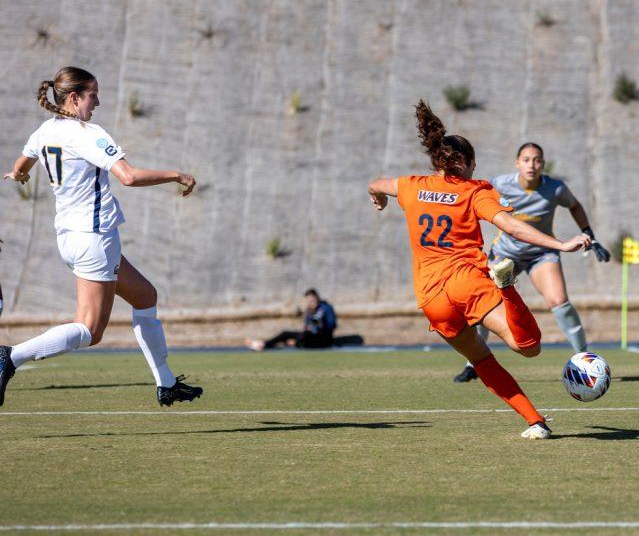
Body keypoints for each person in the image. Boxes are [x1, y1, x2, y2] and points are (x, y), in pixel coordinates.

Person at [368, 100, 591, 439]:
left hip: (431, 298)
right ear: (468, 163)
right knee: (528, 346)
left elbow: (376, 183)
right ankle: (507, 286)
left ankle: (536, 423)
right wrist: (560, 244)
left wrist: (379, 197)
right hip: (467, 283)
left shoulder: (410, 185)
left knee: (481, 360)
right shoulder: (475, 191)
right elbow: (512, 228)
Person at [0, 67, 202, 408]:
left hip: (71, 237)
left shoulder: (45, 131)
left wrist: (18, 175)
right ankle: (11, 356)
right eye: (93, 95)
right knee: (90, 331)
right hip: (94, 238)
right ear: (74, 97)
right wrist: (176, 174)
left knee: (145, 297)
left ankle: (166, 383)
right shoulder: (87, 133)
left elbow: (22, 166)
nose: (98, 102)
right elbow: (129, 176)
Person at [453, 142, 611, 383]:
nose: (532, 165)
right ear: (517, 163)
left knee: (559, 301)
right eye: (526, 160)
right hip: (506, 253)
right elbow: (470, 198)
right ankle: (472, 364)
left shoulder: (555, 188)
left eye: (537, 160)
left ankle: (584, 359)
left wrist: (590, 232)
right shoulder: (499, 184)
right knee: (484, 303)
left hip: (542, 254)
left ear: (542, 164)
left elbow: (575, 205)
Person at [246, 288, 337, 351]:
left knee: (304, 336)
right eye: (309, 301)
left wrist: (320, 325)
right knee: (286, 333)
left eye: (312, 300)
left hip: (323, 339)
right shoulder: (309, 311)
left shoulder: (326, 308)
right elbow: (307, 327)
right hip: (308, 336)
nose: (311, 303)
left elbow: (332, 325)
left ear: (317, 298)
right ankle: (263, 344)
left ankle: (293, 343)